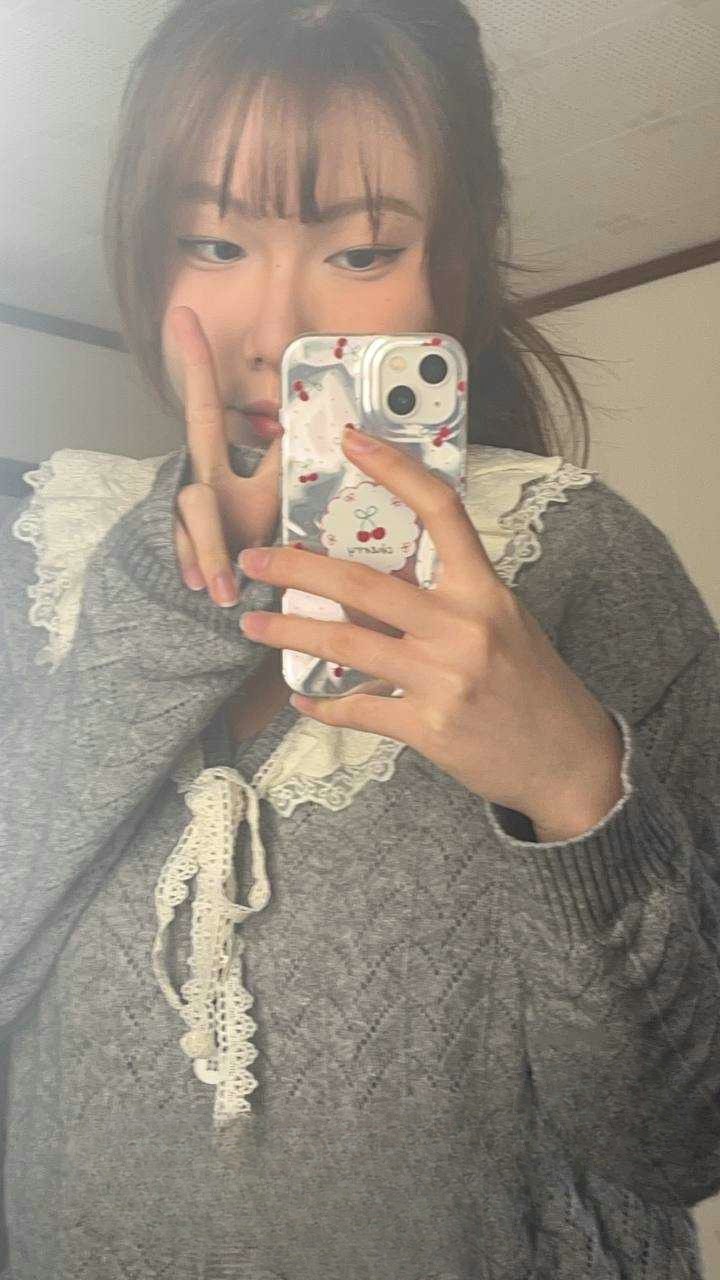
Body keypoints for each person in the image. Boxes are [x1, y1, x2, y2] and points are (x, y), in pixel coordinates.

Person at [1, 1, 719, 1277]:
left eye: (361, 250)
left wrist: (572, 786)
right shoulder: (47, 553)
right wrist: (169, 599)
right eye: (213, 240)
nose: (275, 330)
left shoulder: (587, 562)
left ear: (453, 265)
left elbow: (679, 1141)